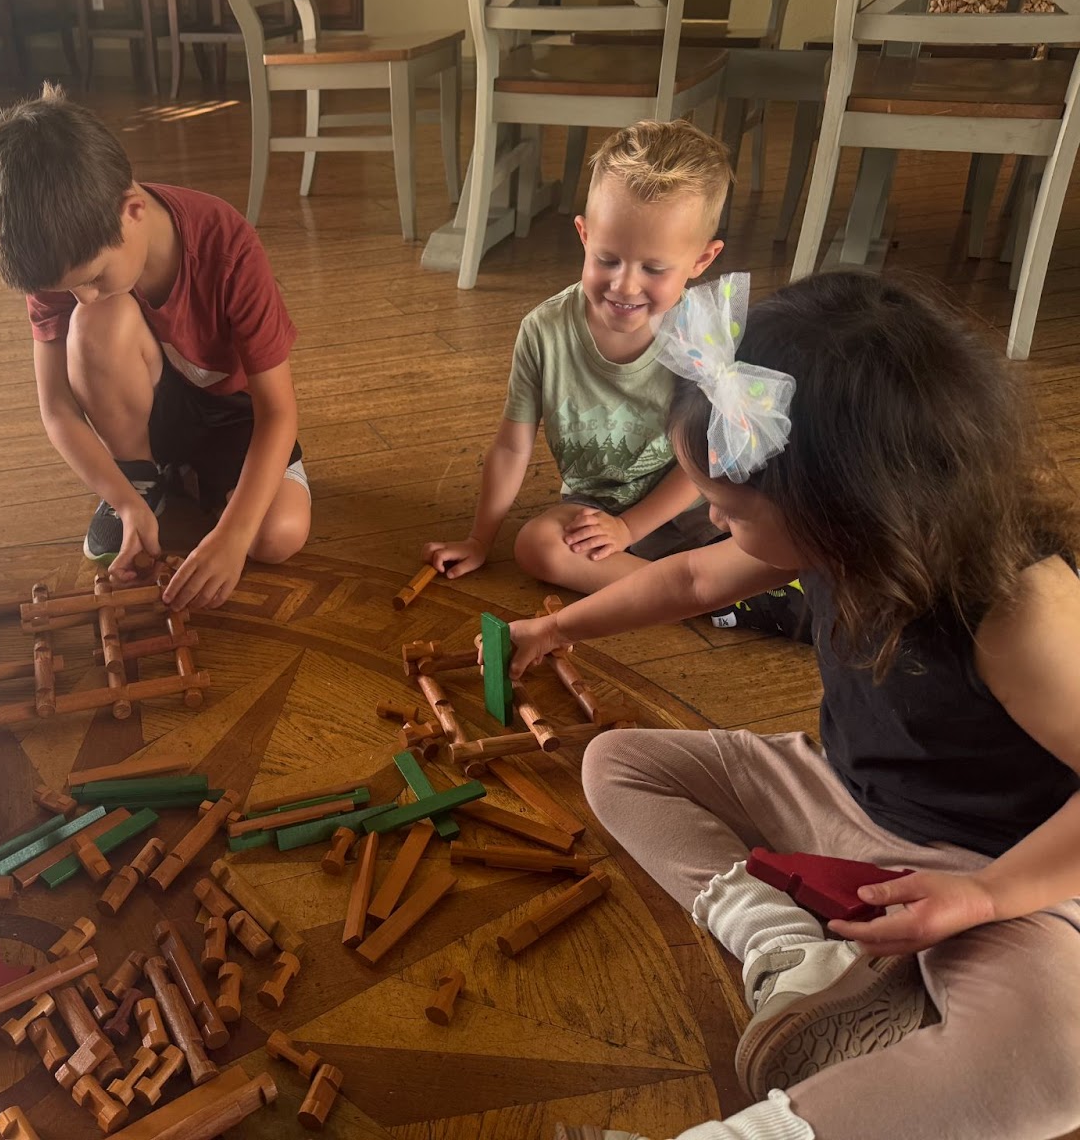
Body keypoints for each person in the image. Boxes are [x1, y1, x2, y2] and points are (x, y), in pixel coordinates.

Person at [506, 271, 1080, 1140]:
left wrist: (988, 897)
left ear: (843, 503)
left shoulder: (1021, 615)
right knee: (616, 762)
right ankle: (788, 945)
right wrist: (557, 628)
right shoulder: (843, 531)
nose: (710, 521)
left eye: (728, 511)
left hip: (999, 869)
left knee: (1053, 1061)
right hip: (835, 794)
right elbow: (693, 577)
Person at [0, 84, 309, 611]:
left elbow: (278, 413)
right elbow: (56, 408)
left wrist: (234, 536)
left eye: (94, 276)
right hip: (151, 412)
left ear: (132, 211)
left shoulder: (227, 243)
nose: (80, 296)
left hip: (238, 416)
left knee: (278, 536)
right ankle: (142, 475)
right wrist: (123, 503)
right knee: (97, 321)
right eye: (66, 288)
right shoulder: (60, 256)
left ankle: (192, 478)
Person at [424, 119, 731, 595]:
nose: (625, 286)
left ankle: (694, 584)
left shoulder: (700, 335)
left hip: (697, 511)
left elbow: (706, 464)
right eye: (608, 259)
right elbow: (511, 446)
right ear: (584, 235)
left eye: (653, 268)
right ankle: (702, 589)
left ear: (701, 261)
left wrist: (631, 529)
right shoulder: (543, 330)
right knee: (536, 546)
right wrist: (479, 539)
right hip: (596, 515)